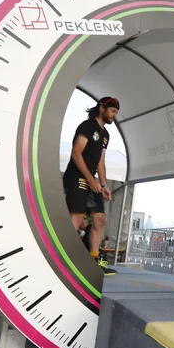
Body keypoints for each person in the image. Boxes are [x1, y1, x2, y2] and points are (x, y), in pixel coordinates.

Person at [63, 96, 119, 276]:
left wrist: (103, 185)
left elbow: (101, 162)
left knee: (100, 220)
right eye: (112, 111)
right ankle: (65, 261)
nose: (114, 116)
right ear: (102, 108)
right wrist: (90, 179)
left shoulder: (106, 135)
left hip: (92, 181)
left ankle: (93, 262)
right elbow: (76, 153)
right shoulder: (87, 126)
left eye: (116, 113)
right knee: (77, 217)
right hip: (76, 176)